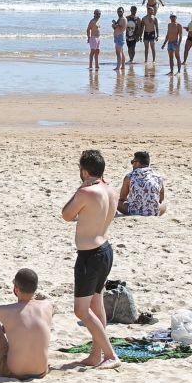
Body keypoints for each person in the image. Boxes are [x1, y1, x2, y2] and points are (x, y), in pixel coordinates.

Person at [61, 149, 120, 370]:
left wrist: (80, 189)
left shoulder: (87, 192)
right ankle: (96, 354)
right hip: (105, 249)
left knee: (82, 310)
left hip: (90, 256)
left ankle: (110, 354)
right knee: (97, 303)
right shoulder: (110, 190)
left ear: (84, 171)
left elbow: (67, 214)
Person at [0, 268, 53, 379]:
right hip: (41, 371)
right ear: (35, 289)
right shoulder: (47, 306)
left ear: (16, 289)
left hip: (13, 372)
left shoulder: (8, 310)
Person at [118, 151, 167, 216]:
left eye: (133, 162)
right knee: (163, 205)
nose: (132, 165)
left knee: (117, 202)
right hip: (153, 212)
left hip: (134, 212)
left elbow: (122, 198)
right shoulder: (157, 176)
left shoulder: (129, 176)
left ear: (137, 162)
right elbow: (161, 198)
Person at [111, 7, 127, 71]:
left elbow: (121, 28)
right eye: (118, 11)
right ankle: (122, 66)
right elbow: (116, 28)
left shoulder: (123, 19)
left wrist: (115, 23)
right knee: (121, 52)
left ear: (123, 11)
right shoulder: (120, 18)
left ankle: (118, 67)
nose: (119, 12)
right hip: (118, 36)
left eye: (120, 11)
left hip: (120, 36)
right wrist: (114, 26)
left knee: (118, 52)